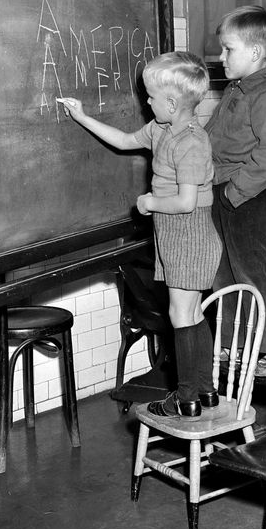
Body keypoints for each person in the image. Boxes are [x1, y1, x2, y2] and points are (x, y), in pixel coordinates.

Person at [57, 51, 222, 419]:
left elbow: (186, 202)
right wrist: (82, 116)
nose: (146, 102)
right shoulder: (161, 129)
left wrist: (150, 202)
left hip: (190, 233)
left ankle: (186, 397)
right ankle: (204, 390)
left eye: (151, 97)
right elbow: (123, 140)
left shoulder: (191, 142)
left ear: (172, 103)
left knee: (182, 314)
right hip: (175, 234)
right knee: (192, 312)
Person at [205, 5, 266, 379]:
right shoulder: (235, 90)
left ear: (255, 52)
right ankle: (234, 344)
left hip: (249, 197)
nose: (221, 57)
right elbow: (213, 139)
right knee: (223, 273)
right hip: (221, 192)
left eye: (228, 49)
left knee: (253, 273)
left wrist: (234, 192)